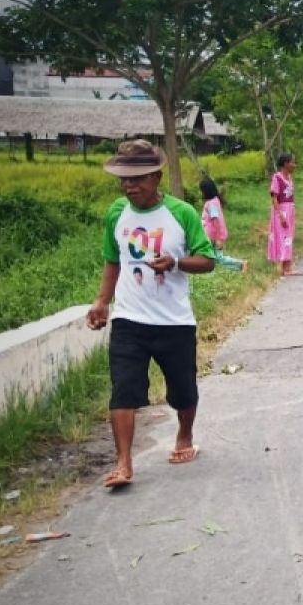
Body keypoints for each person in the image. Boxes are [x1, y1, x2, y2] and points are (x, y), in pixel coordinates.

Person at [85, 140, 216, 488]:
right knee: (123, 389)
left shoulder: (182, 213)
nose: (130, 185)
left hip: (174, 322)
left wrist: (176, 262)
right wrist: (102, 301)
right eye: (124, 179)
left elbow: (208, 260)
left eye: (138, 178)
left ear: (157, 176)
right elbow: (113, 260)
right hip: (130, 319)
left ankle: (184, 435)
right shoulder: (116, 212)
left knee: (183, 392)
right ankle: (123, 464)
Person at [199, 176, 247, 273]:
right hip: (210, 235)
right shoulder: (215, 200)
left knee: (217, 258)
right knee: (213, 257)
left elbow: (216, 220)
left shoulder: (211, 204)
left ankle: (241, 264)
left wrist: (218, 239)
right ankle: (239, 266)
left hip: (212, 236)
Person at [268, 153, 299, 276]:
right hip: (281, 210)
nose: (294, 165)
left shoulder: (290, 178)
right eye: (292, 162)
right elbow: (274, 198)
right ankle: (282, 267)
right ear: (286, 164)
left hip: (290, 209)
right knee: (283, 237)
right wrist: (280, 215)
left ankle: (288, 266)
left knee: (289, 237)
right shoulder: (277, 178)